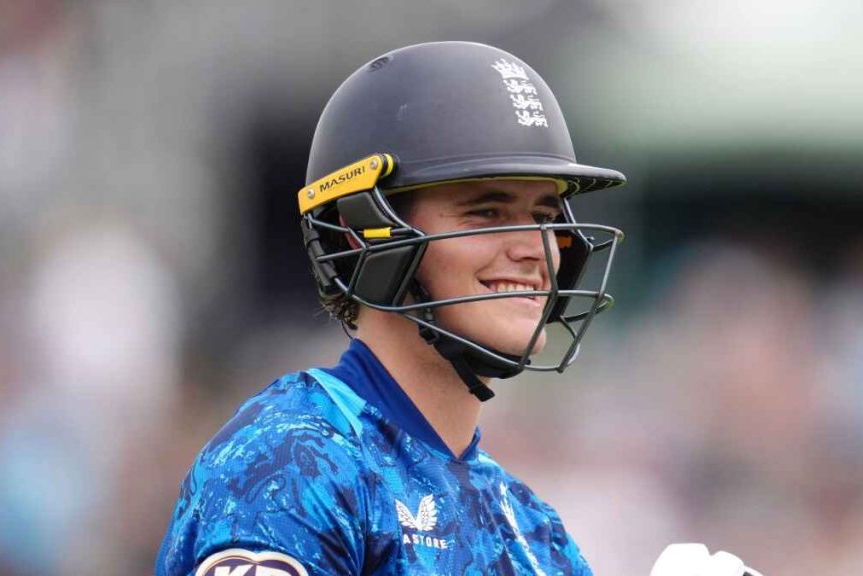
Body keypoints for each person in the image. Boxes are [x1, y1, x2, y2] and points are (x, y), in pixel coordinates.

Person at [155, 41, 626, 575]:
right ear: (363, 234)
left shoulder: (530, 527)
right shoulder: (291, 462)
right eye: (488, 213)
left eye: (544, 217)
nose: (533, 249)